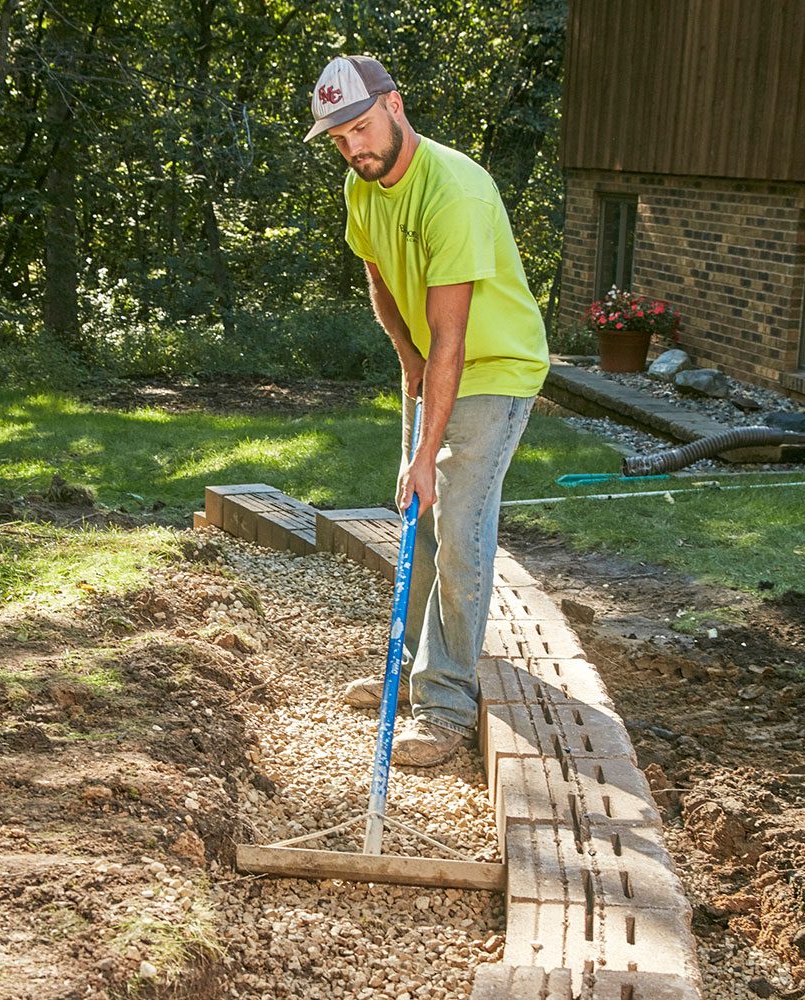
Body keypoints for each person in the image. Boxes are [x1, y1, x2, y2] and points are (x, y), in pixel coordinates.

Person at [304, 55, 549, 766]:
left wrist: (424, 456)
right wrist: (403, 356)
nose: (354, 147)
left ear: (395, 106)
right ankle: (410, 677)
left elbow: (455, 338)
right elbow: (379, 280)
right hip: (437, 359)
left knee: (457, 522)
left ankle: (445, 704)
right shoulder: (364, 186)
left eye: (361, 127)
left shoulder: (455, 193)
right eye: (339, 137)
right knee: (420, 521)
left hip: (493, 364)